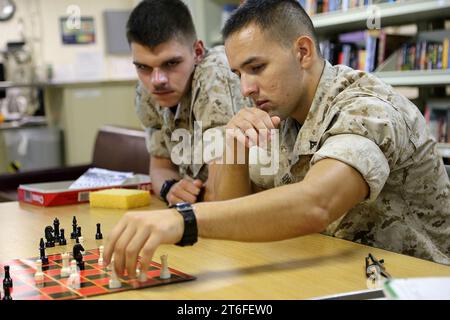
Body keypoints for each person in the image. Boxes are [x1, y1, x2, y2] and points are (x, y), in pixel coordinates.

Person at [104, 0, 450, 277]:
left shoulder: (366, 106)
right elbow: (229, 210)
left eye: (257, 68)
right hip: (342, 269)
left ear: (302, 52)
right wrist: (233, 149)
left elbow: (316, 203)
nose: (245, 88)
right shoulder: (280, 112)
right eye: (239, 73)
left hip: (414, 280)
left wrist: (184, 218)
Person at [128, 0, 251, 206]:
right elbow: (160, 168)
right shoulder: (146, 89)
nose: (157, 80)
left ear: (198, 52)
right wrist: (170, 189)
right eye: (143, 67)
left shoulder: (215, 73)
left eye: (171, 63)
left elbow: (223, 195)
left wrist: (187, 194)